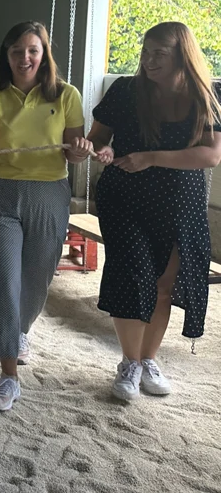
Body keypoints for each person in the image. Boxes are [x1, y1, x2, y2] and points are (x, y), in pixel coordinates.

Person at [0, 21, 91, 412]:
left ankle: (18, 331)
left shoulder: (66, 95)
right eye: (16, 51)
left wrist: (80, 149)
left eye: (32, 50)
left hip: (49, 194)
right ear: (6, 56)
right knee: (4, 282)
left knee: (36, 281)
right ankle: (8, 375)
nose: (24, 58)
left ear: (44, 54)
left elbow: (74, 153)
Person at [87, 22, 221, 401]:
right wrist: (101, 150)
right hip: (124, 198)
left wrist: (151, 157)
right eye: (146, 52)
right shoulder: (125, 90)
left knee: (163, 285)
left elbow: (211, 154)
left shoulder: (207, 94)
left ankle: (148, 359)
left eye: (159, 54)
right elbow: (98, 140)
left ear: (182, 55)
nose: (148, 61)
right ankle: (129, 363)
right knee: (132, 275)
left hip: (180, 204)